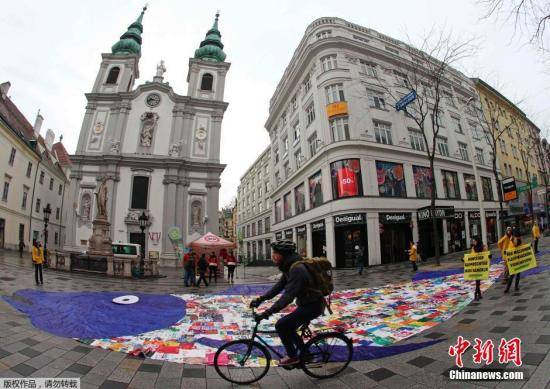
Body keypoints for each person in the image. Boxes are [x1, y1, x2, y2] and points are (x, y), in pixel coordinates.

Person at [250, 240, 325, 367]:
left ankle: (292, 357)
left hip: (313, 306)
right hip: (306, 303)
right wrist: (260, 299)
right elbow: (278, 287)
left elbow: (288, 296)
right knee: (288, 327)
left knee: (281, 325)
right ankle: (304, 353)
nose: (273, 256)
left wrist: (267, 313)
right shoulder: (289, 266)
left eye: (275, 253)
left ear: (284, 254)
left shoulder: (297, 269)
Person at [470, 236, 487, 301]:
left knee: (478, 281)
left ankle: (477, 294)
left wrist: (489, 256)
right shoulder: (473, 248)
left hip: (481, 266)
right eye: (473, 241)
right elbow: (471, 256)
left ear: (478, 241)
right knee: (477, 281)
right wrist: (464, 259)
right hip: (475, 266)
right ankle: (477, 294)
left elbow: (486, 255)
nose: (473, 242)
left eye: (474, 241)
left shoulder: (483, 247)